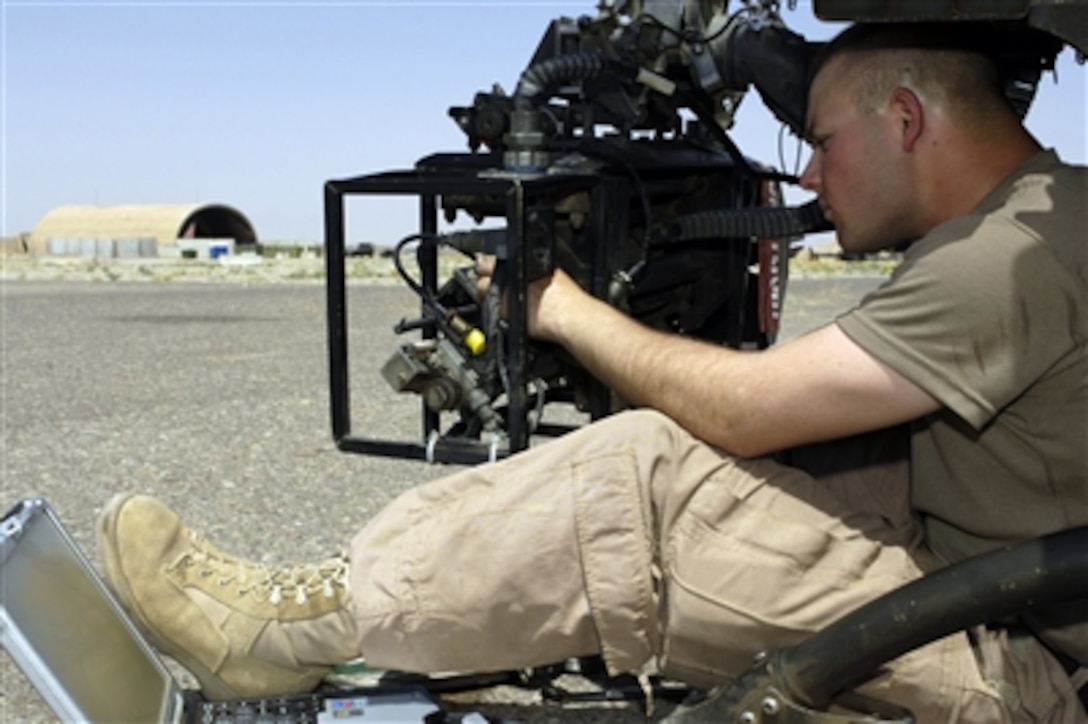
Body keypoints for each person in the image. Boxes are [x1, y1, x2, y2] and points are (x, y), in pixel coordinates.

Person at [96, 22, 1086, 722]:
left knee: (642, 483)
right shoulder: (1038, 212)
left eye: (822, 145)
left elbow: (744, 408)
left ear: (904, 119)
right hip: (1000, 582)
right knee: (783, 450)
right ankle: (354, 600)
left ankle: (285, 631)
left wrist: (560, 309)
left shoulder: (1004, 257)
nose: (811, 179)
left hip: (1025, 673)